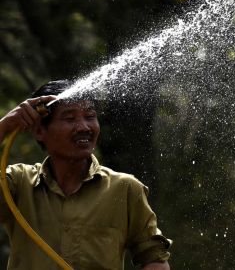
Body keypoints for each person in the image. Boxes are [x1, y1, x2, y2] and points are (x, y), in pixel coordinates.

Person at [0, 80, 171, 269]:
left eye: (90, 116)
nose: (83, 127)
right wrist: (5, 126)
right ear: (40, 131)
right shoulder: (16, 183)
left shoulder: (125, 189)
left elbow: (153, 259)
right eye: (70, 119)